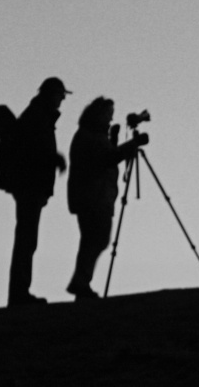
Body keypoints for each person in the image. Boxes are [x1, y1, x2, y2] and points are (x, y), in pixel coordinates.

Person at [66, 96, 148, 300]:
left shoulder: (90, 135)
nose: (110, 119)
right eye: (108, 115)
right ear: (98, 115)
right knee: (97, 239)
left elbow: (105, 156)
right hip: (93, 197)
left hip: (94, 196)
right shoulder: (89, 136)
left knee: (93, 240)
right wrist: (133, 144)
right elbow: (106, 159)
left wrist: (113, 141)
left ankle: (81, 283)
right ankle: (80, 283)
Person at [8, 76, 71, 307]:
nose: (62, 100)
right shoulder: (37, 117)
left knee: (26, 239)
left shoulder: (36, 115)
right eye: (60, 95)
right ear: (51, 94)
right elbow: (36, 150)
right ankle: (19, 294)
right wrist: (56, 159)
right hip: (30, 187)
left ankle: (19, 292)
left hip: (30, 187)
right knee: (26, 240)